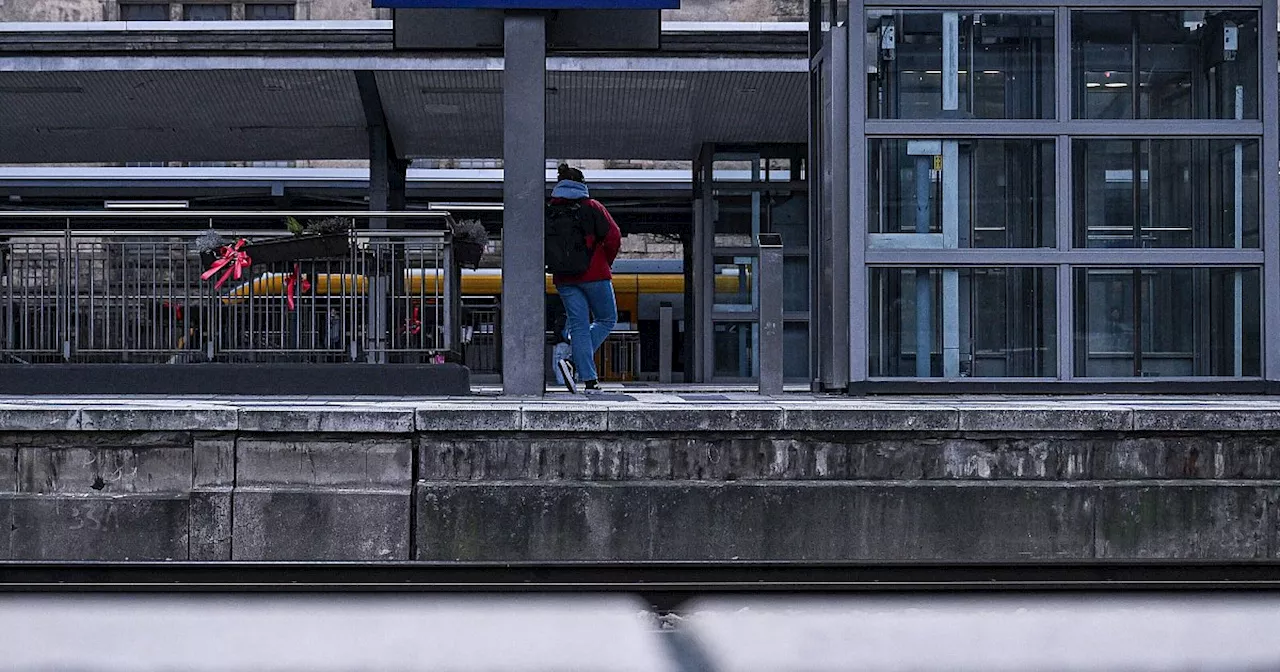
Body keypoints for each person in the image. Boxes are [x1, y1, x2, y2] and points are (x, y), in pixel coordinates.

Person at [546, 164, 621, 393]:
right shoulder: (592, 207)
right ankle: (572, 361)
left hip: (564, 278)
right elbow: (614, 237)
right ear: (581, 184)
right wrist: (604, 261)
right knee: (607, 319)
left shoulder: (550, 210)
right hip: (594, 273)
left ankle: (589, 379)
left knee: (578, 325)